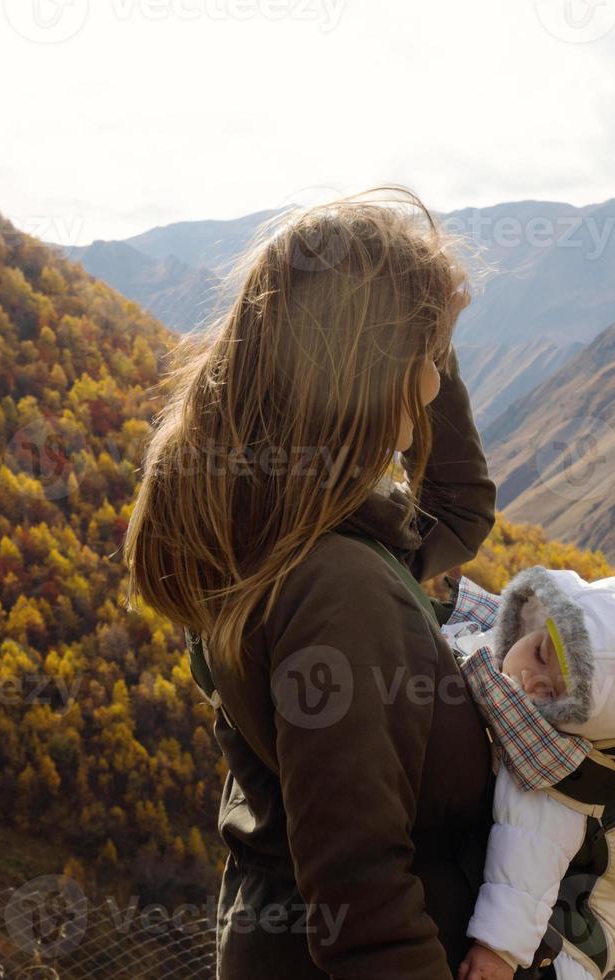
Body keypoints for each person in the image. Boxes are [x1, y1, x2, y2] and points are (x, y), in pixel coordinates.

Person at [124, 188, 498, 978]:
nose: (433, 388)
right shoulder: (340, 589)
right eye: (425, 361)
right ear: (366, 369)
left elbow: (458, 512)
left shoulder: (248, 530)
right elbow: (366, 909)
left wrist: (426, 331)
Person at [440, 567, 615, 980]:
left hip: (573, 942)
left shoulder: (553, 773)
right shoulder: (508, 662)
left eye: (553, 694)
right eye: (539, 653)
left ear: (579, 721)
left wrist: (497, 951)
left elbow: (526, 860)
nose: (530, 680)